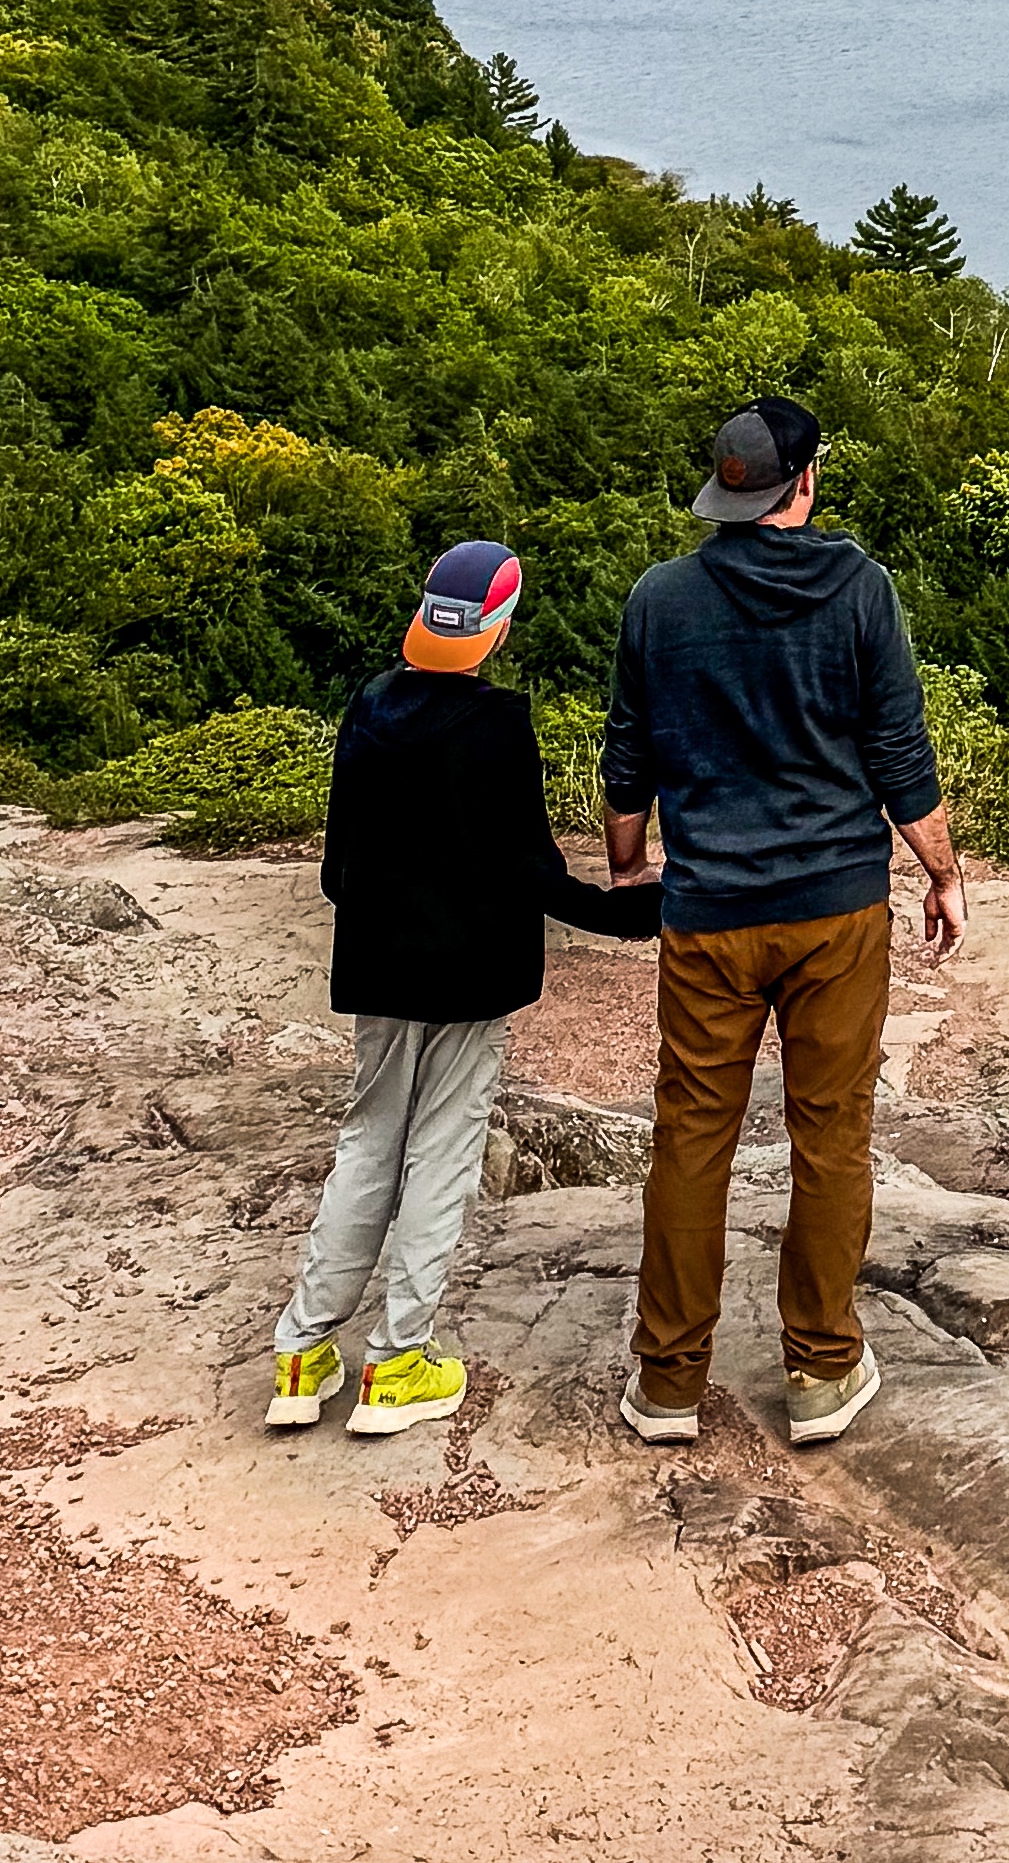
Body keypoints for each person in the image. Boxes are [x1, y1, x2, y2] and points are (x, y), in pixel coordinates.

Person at [599, 393, 966, 1448]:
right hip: (834, 910)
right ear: (807, 480)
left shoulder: (661, 599)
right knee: (831, 1134)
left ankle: (668, 1381)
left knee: (690, 1139)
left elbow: (629, 759)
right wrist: (940, 874)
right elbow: (900, 756)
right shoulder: (861, 591)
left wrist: (629, 865)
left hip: (709, 913)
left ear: (730, 489)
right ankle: (819, 1369)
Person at [264, 534, 664, 1435]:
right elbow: (533, 873)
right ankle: (399, 1363)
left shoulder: (367, 707)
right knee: (440, 1157)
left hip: (378, 972)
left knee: (368, 1145)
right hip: (468, 980)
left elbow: (338, 870)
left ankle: (302, 1354)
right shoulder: (494, 725)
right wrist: (642, 912)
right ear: (499, 628)